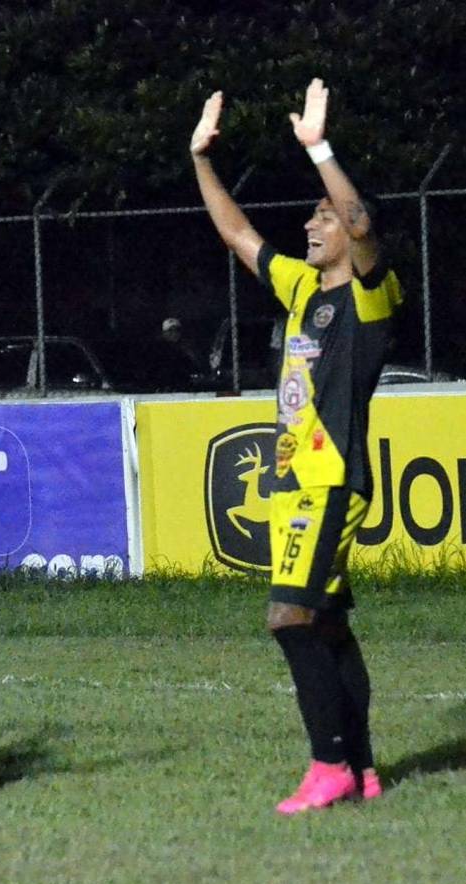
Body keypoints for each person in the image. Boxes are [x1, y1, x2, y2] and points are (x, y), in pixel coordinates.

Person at [190, 79, 402, 814]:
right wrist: (199, 160)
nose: (312, 226)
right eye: (313, 216)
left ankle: (328, 765)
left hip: (329, 481)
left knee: (287, 617)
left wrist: (319, 150)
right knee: (328, 621)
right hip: (292, 484)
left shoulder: (368, 298)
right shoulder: (301, 291)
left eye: (321, 218)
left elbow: (360, 218)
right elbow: (235, 232)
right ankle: (364, 768)